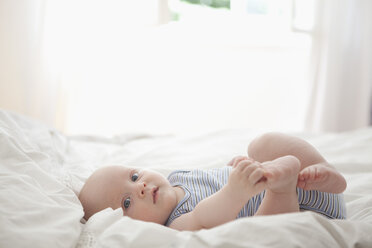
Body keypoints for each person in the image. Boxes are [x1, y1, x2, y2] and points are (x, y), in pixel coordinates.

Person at [78, 132, 347, 231]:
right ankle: (282, 187)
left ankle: (323, 168)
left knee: (261, 144)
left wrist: (235, 167)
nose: (140, 187)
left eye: (134, 176)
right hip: (299, 212)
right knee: (261, 230)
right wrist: (235, 189)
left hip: (313, 183)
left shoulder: (176, 178)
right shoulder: (176, 223)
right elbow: (206, 216)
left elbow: (212, 178)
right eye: (127, 202)